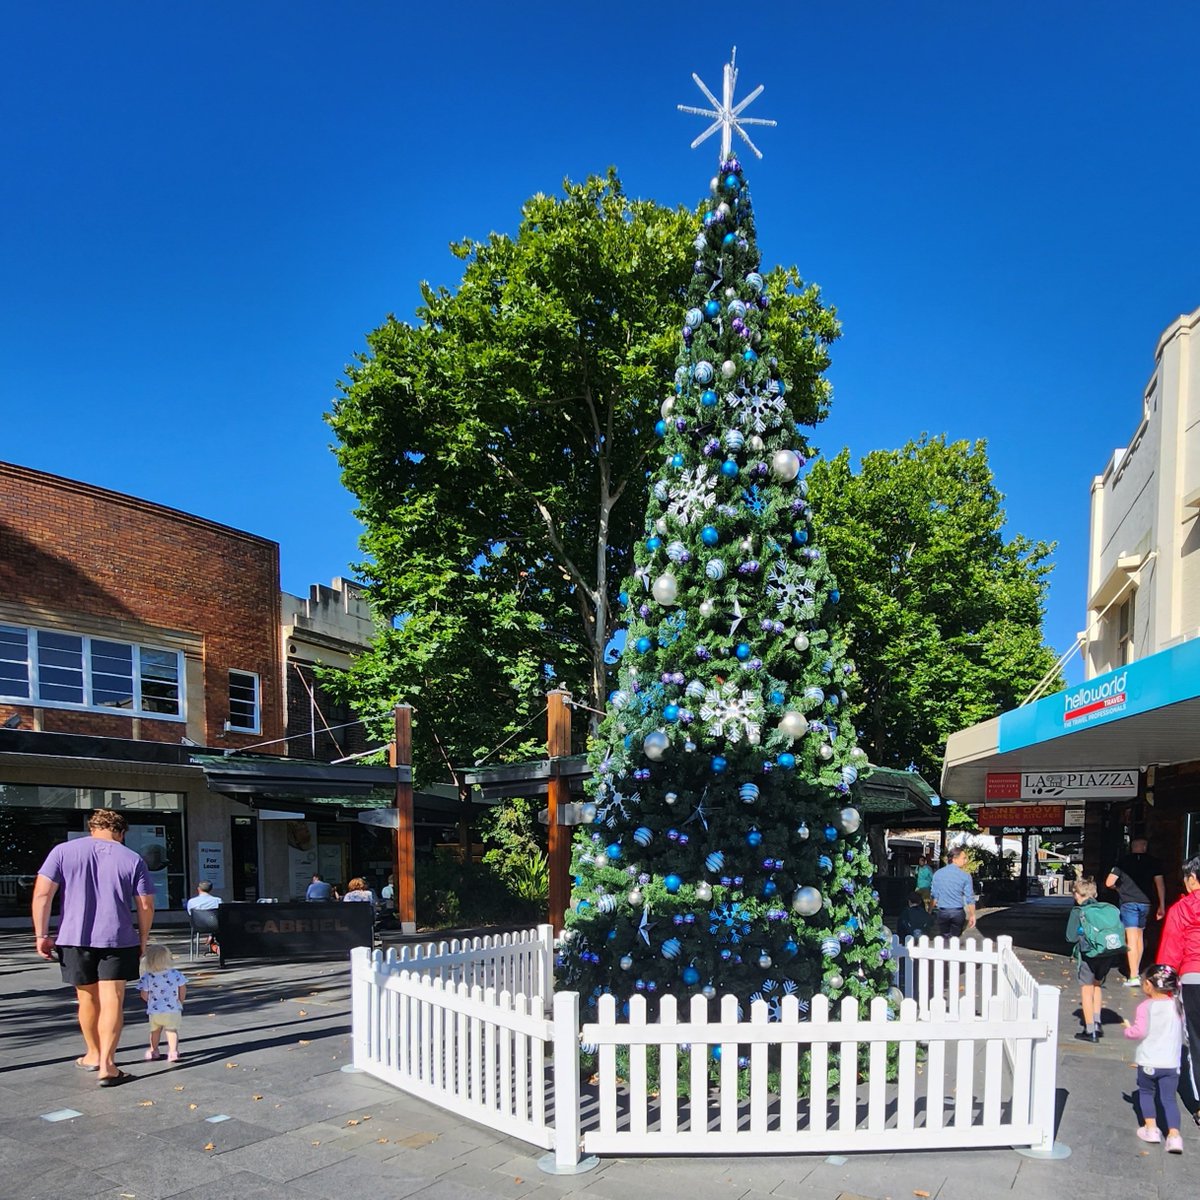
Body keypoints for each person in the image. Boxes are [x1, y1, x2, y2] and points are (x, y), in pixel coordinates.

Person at [31, 809, 154, 1086]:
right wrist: (143, 938)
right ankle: (108, 1066)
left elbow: (41, 894)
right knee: (113, 998)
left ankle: (93, 1054)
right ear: (121, 832)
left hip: (73, 936)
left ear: (92, 829)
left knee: (86, 998)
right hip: (117, 937)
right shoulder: (132, 858)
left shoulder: (62, 852)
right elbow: (145, 904)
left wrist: (41, 934)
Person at [1122, 963, 1185, 1152]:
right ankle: (1174, 1137)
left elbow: (1139, 1031)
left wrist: (1127, 1030)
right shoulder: (1177, 1004)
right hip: (1171, 1062)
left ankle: (1151, 1129)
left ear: (1149, 985)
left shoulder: (1146, 1006)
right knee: (1169, 1098)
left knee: (1147, 1093)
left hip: (1149, 1060)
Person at [1157, 854, 1200, 1129]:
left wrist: (1163, 988)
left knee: (1196, 1040)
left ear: (1192, 878)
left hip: (1194, 977)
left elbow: (1171, 951)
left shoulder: (1182, 908)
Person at [1066, 875, 1126, 1043]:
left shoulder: (1078, 911)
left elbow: (1070, 937)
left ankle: (1090, 1029)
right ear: (1095, 894)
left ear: (1077, 894)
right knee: (1097, 985)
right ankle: (1098, 1022)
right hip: (1106, 953)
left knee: (1086, 989)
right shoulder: (1106, 908)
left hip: (1088, 954)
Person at [1106, 836, 1167, 984]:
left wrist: (1119, 889)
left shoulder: (1123, 862)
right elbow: (1160, 885)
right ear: (1144, 847)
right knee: (1140, 937)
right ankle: (1137, 971)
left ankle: (1133, 975)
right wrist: (1162, 905)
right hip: (1145, 903)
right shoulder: (1153, 862)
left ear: (1132, 847)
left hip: (1128, 902)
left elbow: (1109, 883)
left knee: (1131, 938)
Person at [138, 943, 187, 1063]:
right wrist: (180, 1000)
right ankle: (173, 1052)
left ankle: (154, 1050)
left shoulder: (147, 977)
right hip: (172, 1009)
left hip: (154, 1011)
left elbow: (144, 994)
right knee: (171, 1031)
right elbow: (182, 987)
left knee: (155, 1031)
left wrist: (150, 1001)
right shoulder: (175, 974)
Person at [929, 847, 977, 939]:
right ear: (954, 859)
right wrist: (972, 915)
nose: (966, 861)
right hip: (957, 912)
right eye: (963, 858)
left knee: (944, 937)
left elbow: (934, 896)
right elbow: (969, 898)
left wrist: (930, 911)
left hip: (943, 911)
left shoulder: (938, 874)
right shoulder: (965, 876)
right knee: (955, 938)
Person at [186, 880, 221, 953]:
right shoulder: (217, 900)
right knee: (220, 924)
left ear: (199, 889)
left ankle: (212, 939)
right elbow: (221, 914)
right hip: (215, 925)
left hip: (198, 925)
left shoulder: (191, 901)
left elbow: (190, 914)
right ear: (211, 889)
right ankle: (213, 939)